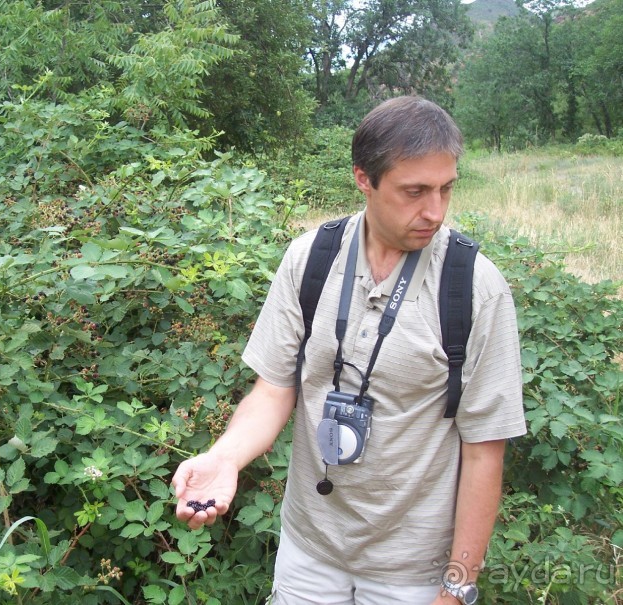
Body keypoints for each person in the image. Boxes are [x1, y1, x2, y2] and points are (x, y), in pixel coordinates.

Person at [171, 96, 527, 605]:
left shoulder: (474, 286)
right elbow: (274, 388)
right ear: (364, 179)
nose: (435, 211)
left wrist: (458, 585)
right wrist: (225, 458)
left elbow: (485, 447)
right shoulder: (311, 257)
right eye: (414, 191)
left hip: (413, 569)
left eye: (447, 188)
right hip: (309, 551)